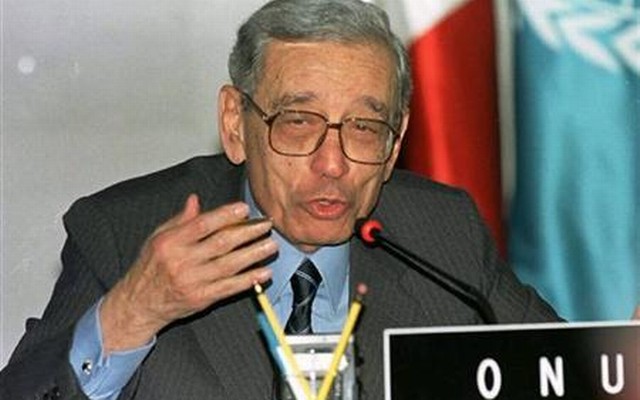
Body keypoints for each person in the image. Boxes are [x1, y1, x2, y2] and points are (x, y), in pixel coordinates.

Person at [0, 0, 559, 398]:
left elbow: (573, 374)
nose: (333, 163)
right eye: (298, 122)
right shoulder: (123, 233)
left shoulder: (443, 235)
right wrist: (132, 314)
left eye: (365, 128)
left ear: (395, 145)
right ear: (235, 124)